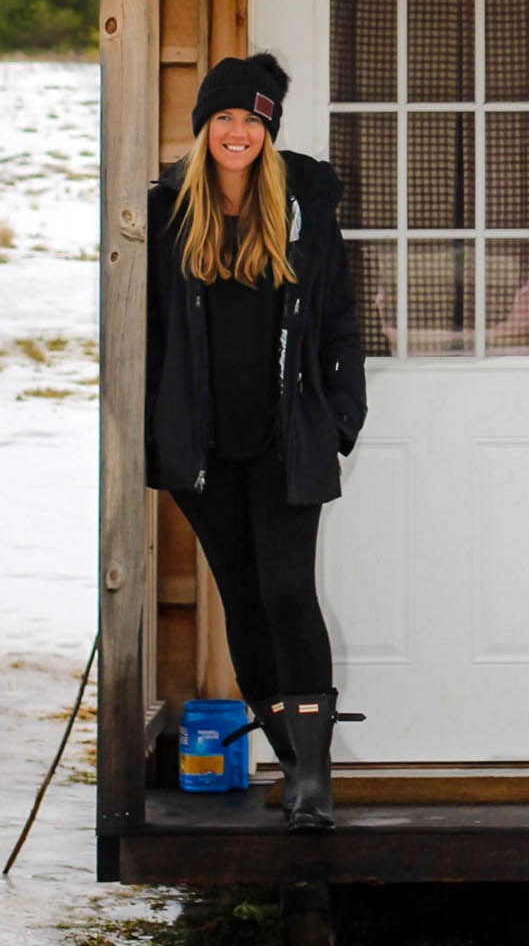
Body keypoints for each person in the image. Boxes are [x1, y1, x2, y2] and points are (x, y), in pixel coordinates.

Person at [145, 51, 366, 830]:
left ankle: (313, 777)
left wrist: (341, 419)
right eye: (224, 118)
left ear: (269, 130)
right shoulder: (169, 211)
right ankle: (286, 751)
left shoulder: (305, 207)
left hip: (286, 441)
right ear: (204, 127)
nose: (237, 132)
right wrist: (158, 435)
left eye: (252, 119)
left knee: (285, 591)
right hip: (203, 452)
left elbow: (340, 316)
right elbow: (149, 334)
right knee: (242, 599)